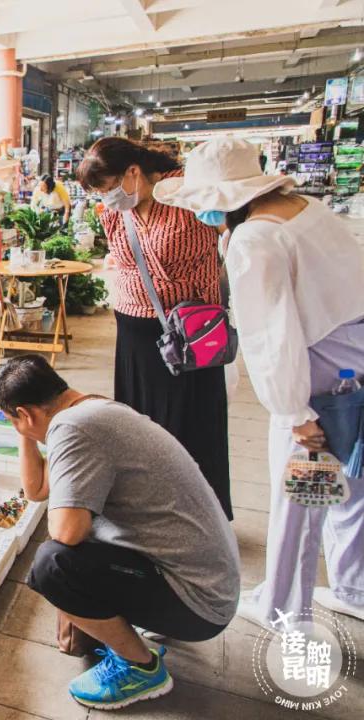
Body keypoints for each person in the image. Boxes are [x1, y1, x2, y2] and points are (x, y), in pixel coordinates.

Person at [154, 137, 364, 626]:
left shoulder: (255, 239)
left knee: (300, 500)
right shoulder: (307, 209)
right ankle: (354, 587)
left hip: (318, 385)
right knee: (352, 490)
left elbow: (272, 334)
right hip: (355, 369)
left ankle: (286, 608)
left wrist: (293, 413)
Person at [0, 354, 240, 710]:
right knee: (77, 541)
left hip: (198, 604)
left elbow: (66, 532)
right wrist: (26, 434)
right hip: (207, 582)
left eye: (14, 419)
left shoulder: (73, 428)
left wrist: (25, 425)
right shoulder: (88, 408)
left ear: (26, 413)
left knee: (52, 566)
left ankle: (141, 667)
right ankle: (129, 634)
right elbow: (36, 490)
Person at [77, 137, 232, 518]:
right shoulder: (118, 209)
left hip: (187, 332)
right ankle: (150, 505)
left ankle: (197, 510)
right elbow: (120, 256)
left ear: (133, 172)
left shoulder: (186, 196)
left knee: (187, 423)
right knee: (140, 422)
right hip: (133, 329)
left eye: (108, 187)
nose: (106, 198)